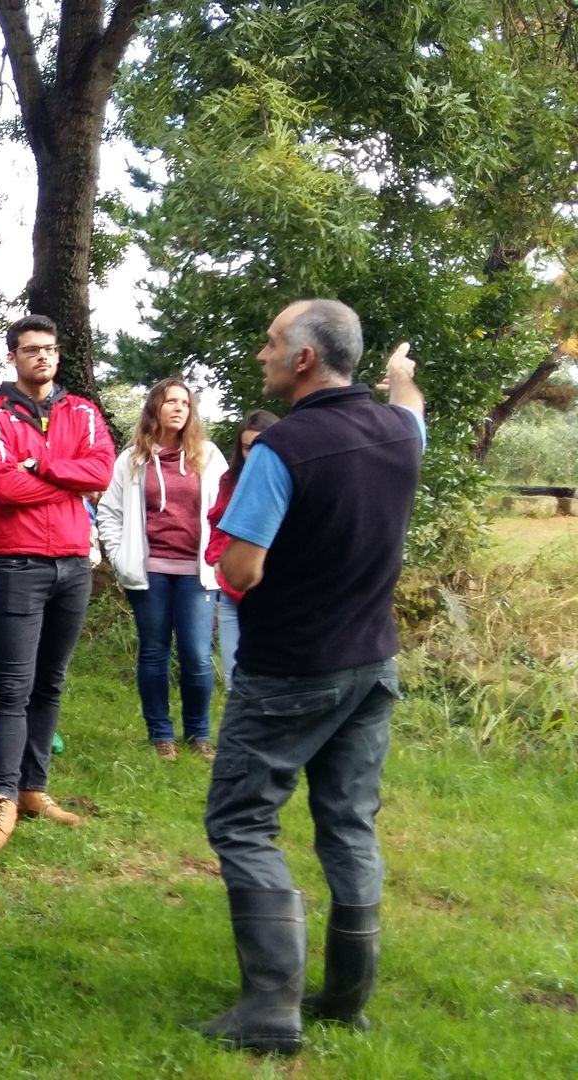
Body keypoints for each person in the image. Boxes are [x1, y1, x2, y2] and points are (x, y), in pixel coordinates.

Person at [191, 301, 424, 1055]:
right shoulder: (400, 432)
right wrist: (399, 379)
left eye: (270, 343)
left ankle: (270, 1008)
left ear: (302, 361)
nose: (262, 353)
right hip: (372, 664)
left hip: (291, 667)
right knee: (349, 823)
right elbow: (410, 406)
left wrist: (226, 559)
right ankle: (347, 1000)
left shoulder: (284, 450)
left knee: (241, 821)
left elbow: (243, 566)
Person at [0, 314, 115, 855]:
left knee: (50, 682)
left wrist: (42, 462)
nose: (42, 357)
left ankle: (34, 789)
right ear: (12, 357)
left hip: (75, 564)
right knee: (11, 685)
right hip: (18, 564)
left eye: (49, 349)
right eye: (30, 350)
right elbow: (2, 486)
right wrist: (64, 479)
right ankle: (2, 797)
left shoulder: (83, 411)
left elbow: (101, 473)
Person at [96, 378, 228, 760]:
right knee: (154, 652)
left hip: (197, 572)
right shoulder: (132, 459)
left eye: (184, 403)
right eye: (170, 401)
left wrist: (219, 553)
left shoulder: (208, 455)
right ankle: (161, 734)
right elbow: (109, 511)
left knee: (197, 654)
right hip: (149, 571)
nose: (178, 408)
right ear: (155, 407)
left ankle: (199, 734)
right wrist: (121, 556)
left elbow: (225, 508)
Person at [204, 411, 279, 693]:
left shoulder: (292, 479)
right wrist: (216, 560)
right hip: (232, 594)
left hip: (273, 596)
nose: (254, 454)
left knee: (271, 680)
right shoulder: (230, 480)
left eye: (262, 446)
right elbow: (217, 523)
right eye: (248, 447)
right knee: (236, 680)